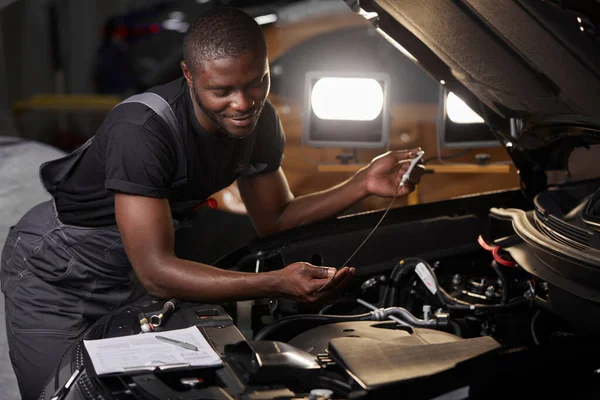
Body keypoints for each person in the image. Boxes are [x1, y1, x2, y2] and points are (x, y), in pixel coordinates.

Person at [0, 7, 424, 400]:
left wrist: (362, 183)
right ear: (188, 74)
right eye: (222, 90)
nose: (242, 103)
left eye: (255, 81)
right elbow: (158, 274)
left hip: (129, 272)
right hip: (56, 273)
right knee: (64, 394)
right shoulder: (143, 129)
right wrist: (275, 281)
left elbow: (275, 218)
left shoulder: (260, 121)